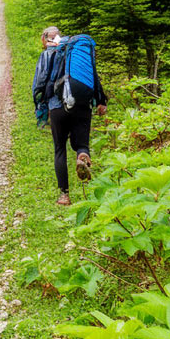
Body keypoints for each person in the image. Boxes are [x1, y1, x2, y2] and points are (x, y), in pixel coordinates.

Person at [33, 28, 107, 206]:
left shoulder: (49, 54)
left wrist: (39, 102)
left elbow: (40, 81)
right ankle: (82, 156)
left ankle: (64, 195)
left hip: (57, 106)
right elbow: (94, 76)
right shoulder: (77, 52)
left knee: (60, 148)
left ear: (44, 39)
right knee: (82, 144)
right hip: (82, 103)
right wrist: (101, 100)